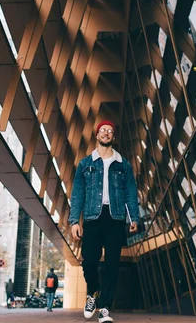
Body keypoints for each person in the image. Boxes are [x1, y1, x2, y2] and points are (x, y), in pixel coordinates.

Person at [69, 120, 140, 323]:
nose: (106, 133)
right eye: (103, 130)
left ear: (113, 137)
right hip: (92, 217)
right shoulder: (85, 163)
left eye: (110, 131)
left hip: (116, 218)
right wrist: (75, 221)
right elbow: (78, 194)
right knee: (89, 261)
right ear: (97, 134)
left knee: (111, 265)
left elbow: (130, 193)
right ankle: (93, 293)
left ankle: (105, 308)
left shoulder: (123, 164)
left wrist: (133, 217)